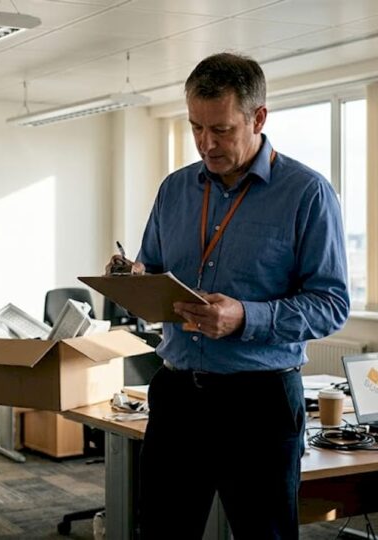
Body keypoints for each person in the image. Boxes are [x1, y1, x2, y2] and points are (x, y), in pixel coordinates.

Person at [106, 53, 350, 539]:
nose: (205, 143)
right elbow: (152, 268)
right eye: (196, 126)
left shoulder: (307, 194)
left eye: (221, 129)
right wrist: (133, 277)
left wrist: (245, 317)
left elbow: (331, 304)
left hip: (258, 403)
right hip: (177, 395)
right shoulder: (175, 190)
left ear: (259, 118)